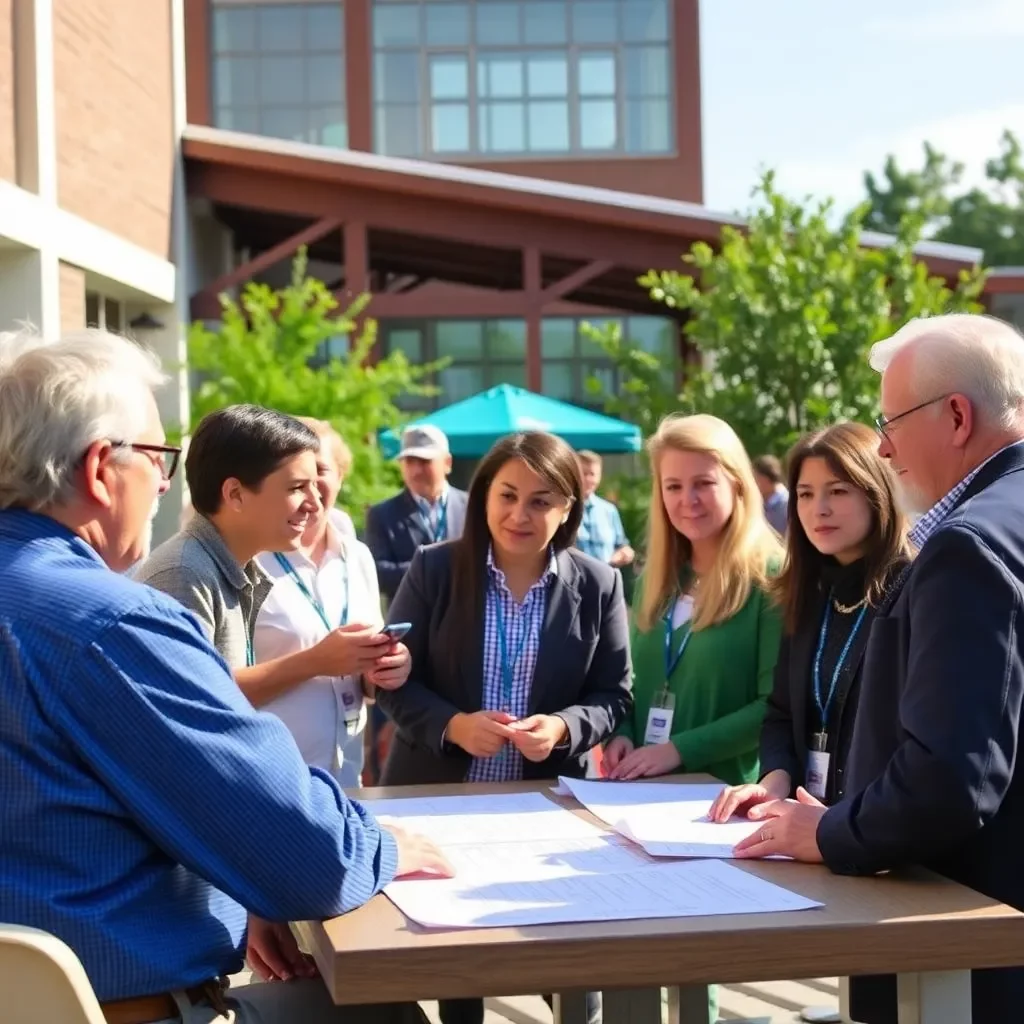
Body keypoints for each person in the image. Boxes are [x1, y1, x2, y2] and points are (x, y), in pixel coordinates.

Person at [0, 329, 447, 1024]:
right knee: (385, 1013)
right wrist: (383, 846)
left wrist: (242, 881)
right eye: (158, 459)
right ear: (99, 470)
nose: (163, 485)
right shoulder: (114, 622)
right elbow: (312, 860)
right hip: (121, 1005)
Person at [733, 314, 1024, 1021]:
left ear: (957, 415)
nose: (885, 446)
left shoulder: (969, 548)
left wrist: (829, 832)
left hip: (965, 946)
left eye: (891, 421)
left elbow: (951, 778)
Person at [377, 430, 631, 1024]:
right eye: (507, 495)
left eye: (542, 500)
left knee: (569, 981)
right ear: (484, 495)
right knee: (456, 971)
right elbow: (392, 681)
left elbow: (613, 696)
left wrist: (564, 729)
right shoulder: (434, 569)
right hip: (437, 805)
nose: (520, 514)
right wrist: (454, 725)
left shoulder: (598, 583)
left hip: (539, 814)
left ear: (571, 507)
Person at [710, 422, 911, 1024]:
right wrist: (773, 779)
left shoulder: (910, 587)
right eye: (804, 493)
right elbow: (782, 714)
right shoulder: (809, 589)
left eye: (838, 490)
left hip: (891, 837)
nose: (818, 509)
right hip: (816, 832)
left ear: (876, 492)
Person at [136, 406, 407, 705]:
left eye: (316, 485)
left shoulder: (230, 565)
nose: (314, 503)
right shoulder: (184, 572)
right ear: (235, 494)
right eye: (297, 487)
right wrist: (314, 661)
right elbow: (191, 706)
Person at [604, 413, 783, 785]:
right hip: (635, 793)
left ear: (737, 486)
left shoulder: (772, 576)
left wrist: (678, 750)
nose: (688, 500)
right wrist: (620, 731)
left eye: (703, 483)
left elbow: (775, 708)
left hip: (718, 803)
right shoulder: (654, 576)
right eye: (673, 486)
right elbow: (630, 681)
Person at [254, 418, 390, 787]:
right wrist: (316, 661)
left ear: (342, 477)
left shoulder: (357, 555)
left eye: (322, 471)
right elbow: (215, 688)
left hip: (346, 780)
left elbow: (364, 675)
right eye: (298, 477)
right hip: (273, 783)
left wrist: (383, 670)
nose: (310, 488)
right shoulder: (249, 560)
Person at [364, 424, 468, 601]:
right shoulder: (382, 514)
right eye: (410, 461)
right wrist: (429, 567)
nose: (416, 470)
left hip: (464, 616)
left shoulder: (473, 506)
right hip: (412, 622)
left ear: (447, 463)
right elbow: (375, 574)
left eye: (425, 462)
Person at [574, 449, 635, 568]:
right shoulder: (562, 508)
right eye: (583, 473)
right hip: (573, 581)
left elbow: (622, 545)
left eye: (592, 474)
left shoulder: (609, 510)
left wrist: (624, 554)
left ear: (599, 476)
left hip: (605, 579)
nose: (588, 479)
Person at [753, 454, 789, 535]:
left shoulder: (788, 506)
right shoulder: (761, 504)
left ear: (765, 479)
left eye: (755, 478)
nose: (753, 484)